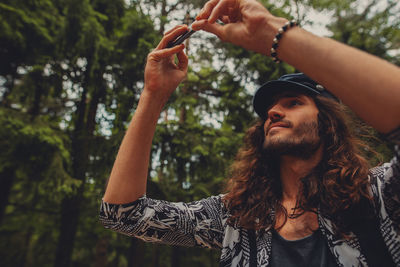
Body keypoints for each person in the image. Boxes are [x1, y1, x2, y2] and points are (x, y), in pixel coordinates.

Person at [100, 0, 400, 266]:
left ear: (327, 123)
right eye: (269, 109)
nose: (273, 112)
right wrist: (153, 94)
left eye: (293, 103)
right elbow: (125, 214)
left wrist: (275, 33)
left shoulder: (378, 196)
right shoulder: (238, 217)